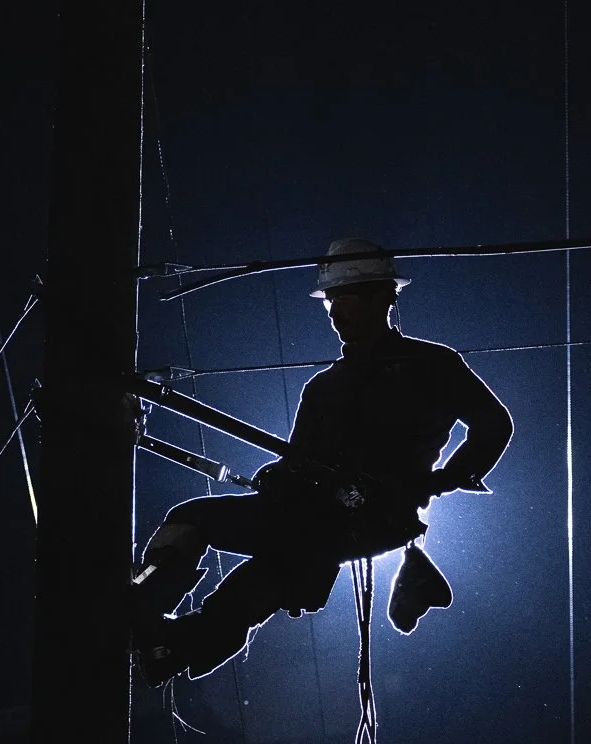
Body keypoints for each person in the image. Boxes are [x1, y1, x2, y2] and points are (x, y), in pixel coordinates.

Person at [133, 238, 514, 687]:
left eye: (345, 297)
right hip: (309, 510)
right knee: (209, 530)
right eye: (330, 300)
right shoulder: (324, 387)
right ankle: (153, 625)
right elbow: (299, 459)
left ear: (381, 297)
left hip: (372, 517)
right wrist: (277, 477)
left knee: (277, 560)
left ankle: (168, 634)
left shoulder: (430, 364)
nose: (334, 311)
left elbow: (493, 424)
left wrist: (438, 481)